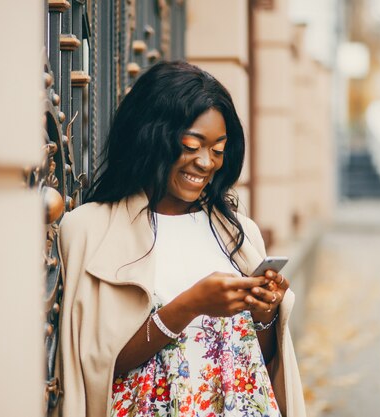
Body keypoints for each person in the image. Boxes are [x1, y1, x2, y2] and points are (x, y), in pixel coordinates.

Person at [58, 61, 305, 417]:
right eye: (192, 145)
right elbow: (100, 369)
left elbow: (259, 361)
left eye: (218, 150)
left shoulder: (239, 233)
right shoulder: (89, 230)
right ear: (151, 137)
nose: (206, 162)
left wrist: (263, 313)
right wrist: (189, 305)